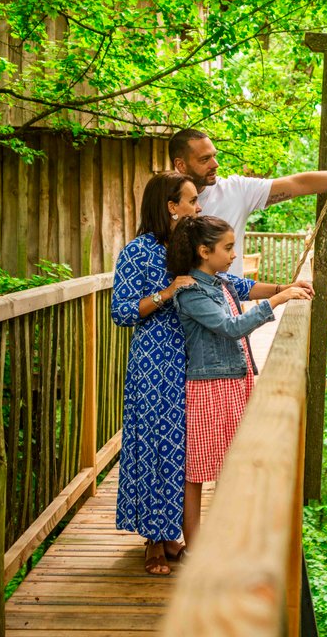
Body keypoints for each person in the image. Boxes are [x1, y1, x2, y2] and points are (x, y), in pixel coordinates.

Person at [167, 215, 314, 545]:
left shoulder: (221, 282)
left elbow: (243, 292)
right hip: (208, 386)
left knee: (231, 464)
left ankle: (225, 539)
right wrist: (277, 300)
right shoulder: (191, 293)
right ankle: (196, 546)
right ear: (204, 251)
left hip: (234, 379)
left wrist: (285, 288)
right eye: (228, 248)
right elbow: (230, 327)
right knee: (198, 471)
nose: (234, 254)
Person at [109, 171, 202, 576]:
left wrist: (281, 290)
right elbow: (121, 311)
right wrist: (166, 293)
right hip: (153, 361)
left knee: (180, 448)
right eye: (191, 200)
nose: (198, 207)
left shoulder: (187, 247)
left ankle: (169, 534)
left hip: (191, 359)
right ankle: (153, 540)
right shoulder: (137, 252)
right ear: (171, 206)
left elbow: (225, 280)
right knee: (152, 445)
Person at [169, 128, 327, 276]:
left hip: (227, 314)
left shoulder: (236, 190)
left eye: (215, 156)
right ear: (181, 165)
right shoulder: (163, 199)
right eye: (205, 159)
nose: (215, 164)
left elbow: (299, 184)